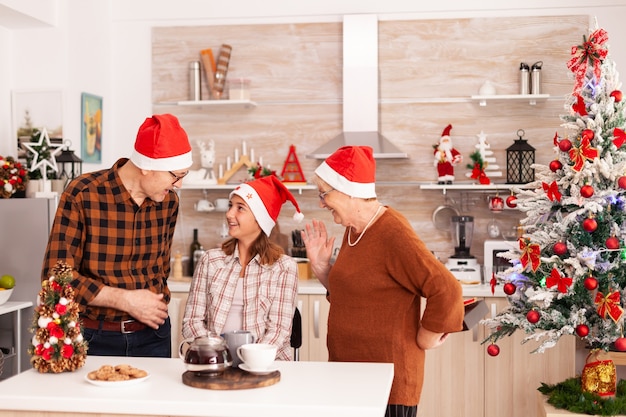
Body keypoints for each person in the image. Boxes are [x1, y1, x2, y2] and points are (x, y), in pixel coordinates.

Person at [301, 146, 464, 417]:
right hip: (348, 376)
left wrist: (426, 336)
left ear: (349, 192)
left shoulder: (392, 232)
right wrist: (320, 267)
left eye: (324, 194)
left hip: (387, 386)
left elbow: (446, 287)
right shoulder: (353, 229)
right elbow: (357, 295)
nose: (320, 203)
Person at [42, 113, 193, 358]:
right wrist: (125, 300)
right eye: (176, 175)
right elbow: (55, 277)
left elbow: (160, 269)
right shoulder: (84, 193)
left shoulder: (168, 202)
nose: (179, 185)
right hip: (93, 338)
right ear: (146, 167)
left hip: (155, 337)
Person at [182, 175, 303, 360]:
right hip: (215, 361)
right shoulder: (210, 260)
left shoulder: (284, 267)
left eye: (240, 208)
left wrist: (251, 359)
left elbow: (279, 331)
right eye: (230, 206)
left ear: (260, 219)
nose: (229, 214)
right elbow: (192, 322)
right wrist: (216, 352)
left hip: (264, 365)